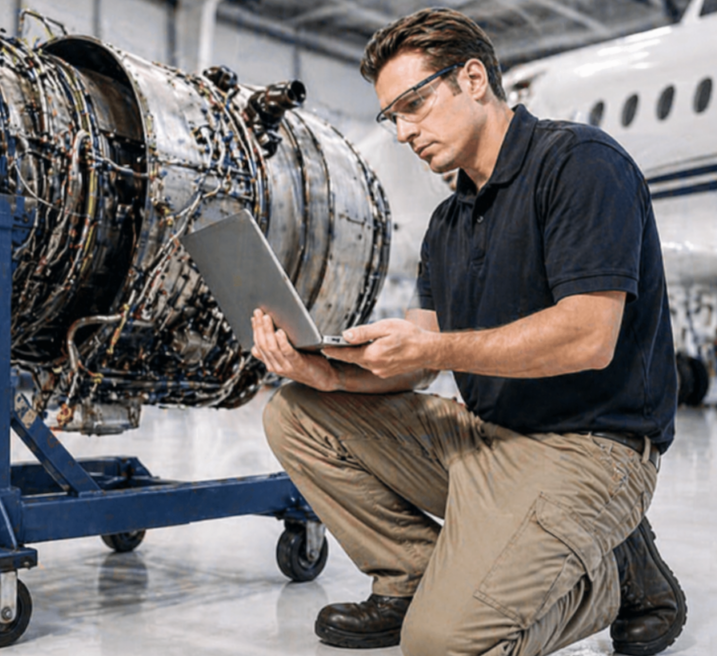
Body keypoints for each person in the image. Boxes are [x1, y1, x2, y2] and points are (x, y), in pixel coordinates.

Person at [252, 8, 686, 656]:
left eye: (414, 104)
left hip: (590, 450)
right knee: (297, 414)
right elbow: (417, 367)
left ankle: (610, 578)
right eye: (391, 117)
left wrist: (433, 347)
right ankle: (411, 578)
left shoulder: (578, 165)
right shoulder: (447, 227)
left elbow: (588, 337)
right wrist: (324, 372)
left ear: (474, 79)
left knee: (441, 647)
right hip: (487, 440)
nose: (403, 131)